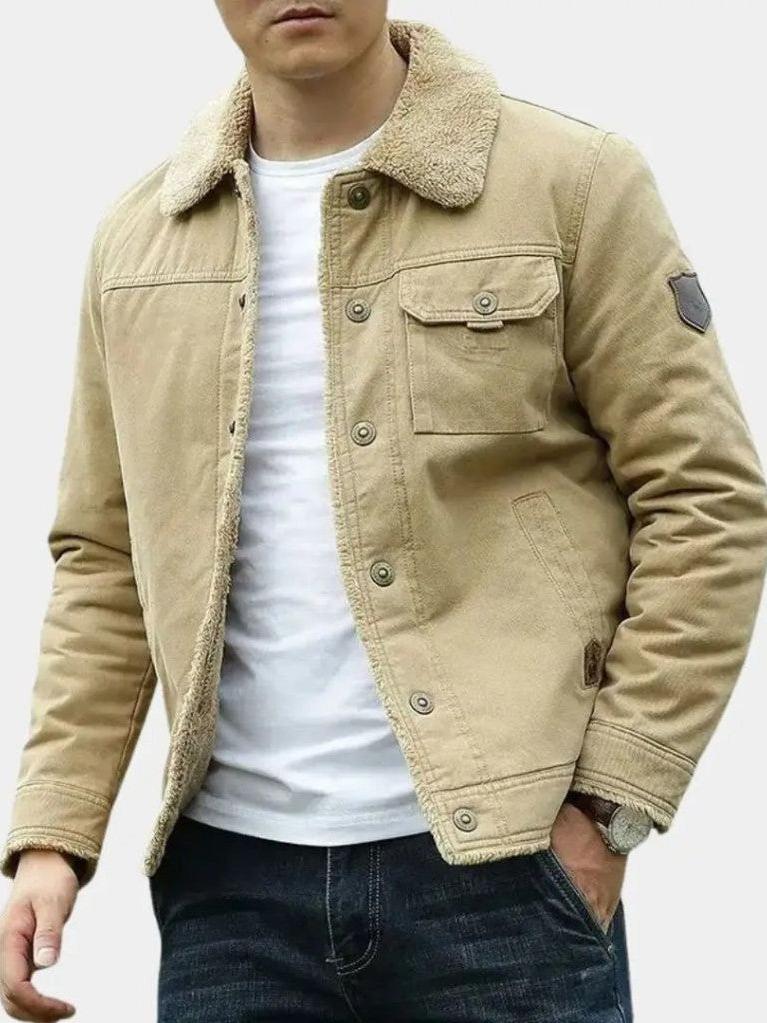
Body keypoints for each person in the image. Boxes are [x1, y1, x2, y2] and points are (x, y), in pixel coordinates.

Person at [2, 3, 766, 1021]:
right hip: (229, 896)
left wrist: (610, 807)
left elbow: (704, 498)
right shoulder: (140, 241)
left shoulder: (570, 182)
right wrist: (53, 836)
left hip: (506, 874)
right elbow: (105, 558)